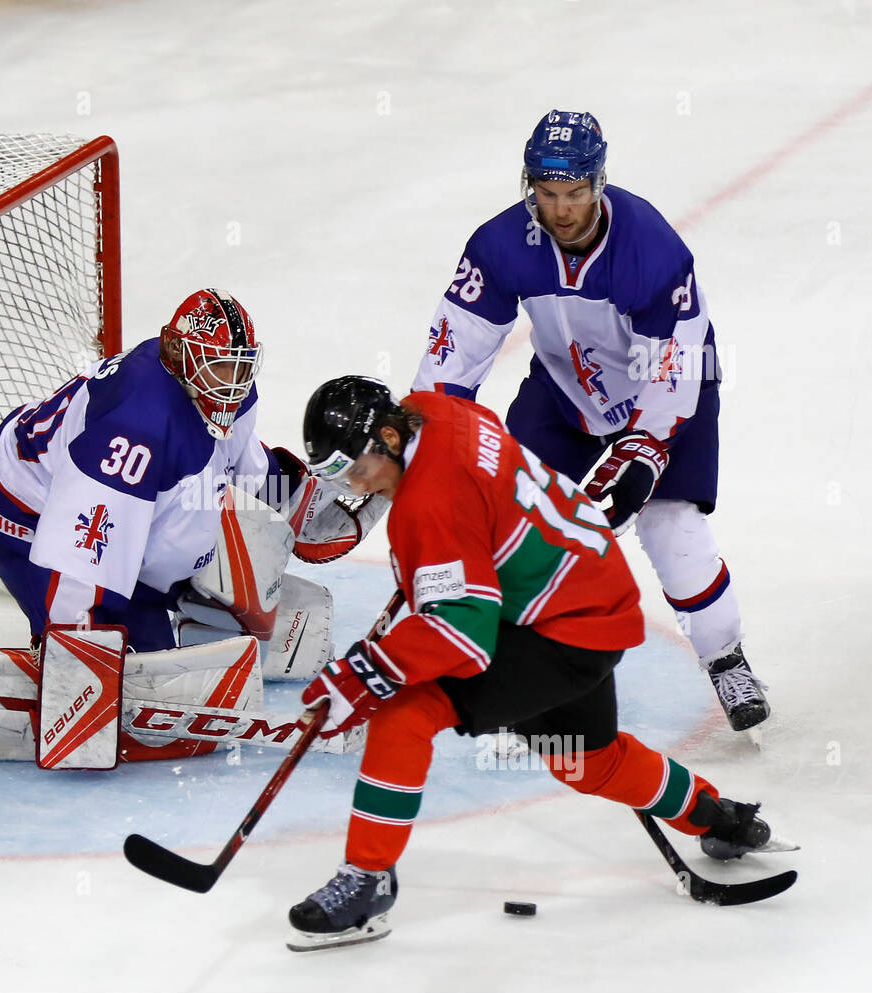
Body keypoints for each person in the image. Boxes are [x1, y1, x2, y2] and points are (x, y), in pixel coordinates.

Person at [286, 376, 784, 950]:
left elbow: (461, 638)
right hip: (594, 595)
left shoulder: (427, 508)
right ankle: (716, 817)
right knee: (586, 761)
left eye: (355, 467)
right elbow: (483, 490)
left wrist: (368, 672)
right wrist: (447, 565)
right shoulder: (438, 412)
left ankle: (367, 881)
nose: (353, 483)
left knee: (403, 712)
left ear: (391, 438)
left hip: (560, 631)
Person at [0, 288, 377, 767]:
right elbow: (81, 558)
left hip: (122, 516)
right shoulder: (134, 429)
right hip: (27, 513)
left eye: (240, 365)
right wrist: (84, 664)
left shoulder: (226, 391)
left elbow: (241, 465)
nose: (231, 382)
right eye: (218, 366)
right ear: (174, 349)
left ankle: (141, 620)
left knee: (158, 651)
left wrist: (311, 497)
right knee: (122, 689)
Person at [411, 109, 768, 732]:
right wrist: (429, 441)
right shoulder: (500, 245)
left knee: (670, 528)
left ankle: (726, 656)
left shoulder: (652, 250)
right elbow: (454, 355)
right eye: (547, 194)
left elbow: (672, 373)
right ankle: (511, 669)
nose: (562, 210)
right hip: (563, 393)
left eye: (575, 193)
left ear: (599, 183)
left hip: (666, 395)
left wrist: (641, 457)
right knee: (508, 520)